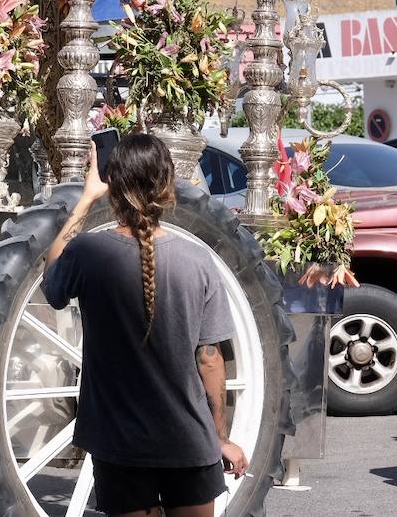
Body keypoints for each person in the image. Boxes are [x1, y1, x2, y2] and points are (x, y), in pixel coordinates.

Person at [42, 134, 248, 517]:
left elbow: (52, 280)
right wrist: (220, 438)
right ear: (168, 187)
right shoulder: (199, 261)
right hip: (189, 442)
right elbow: (210, 360)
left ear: (114, 187)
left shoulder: (88, 253)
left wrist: (86, 198)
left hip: (119, 445)